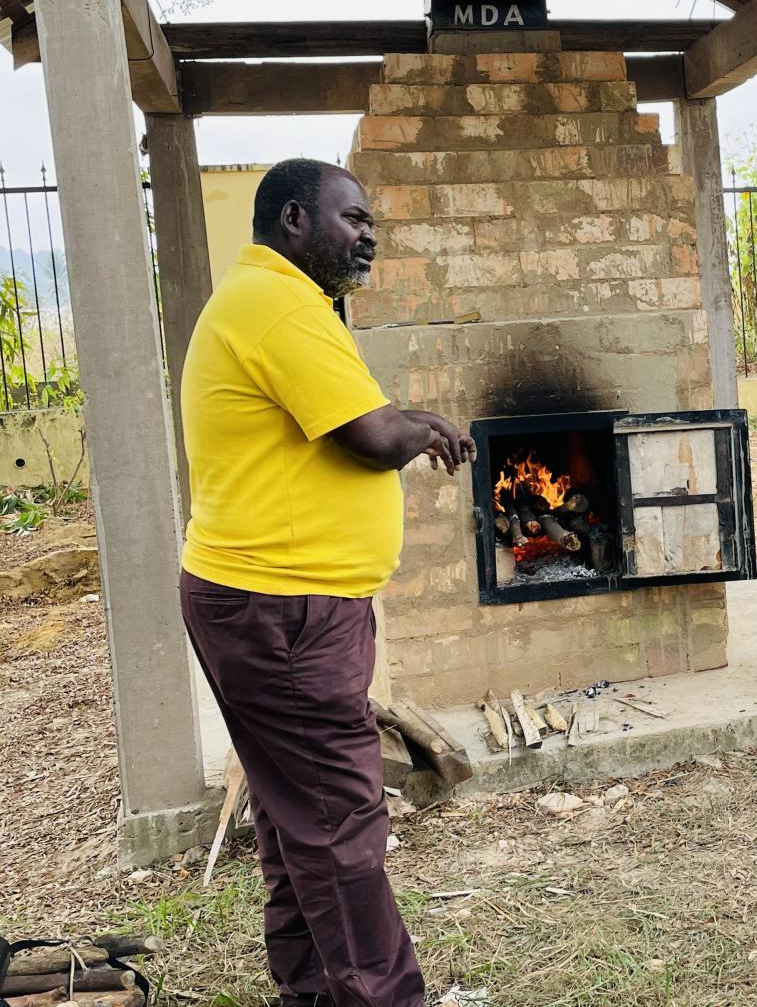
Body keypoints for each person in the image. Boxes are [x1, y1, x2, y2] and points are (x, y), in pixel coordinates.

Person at [179, 158, 475, 1007]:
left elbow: (358, 427)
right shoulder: (278, 302)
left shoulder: (271, 300)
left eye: (372, 219)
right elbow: (370, 437)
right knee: (338, 825)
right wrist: (420, 427)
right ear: (296, 220)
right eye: (353, 218)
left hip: (270, 605)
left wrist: (409, 424)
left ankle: (312, 993)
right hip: (283, 613)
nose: (369, 233)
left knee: (296, 818)